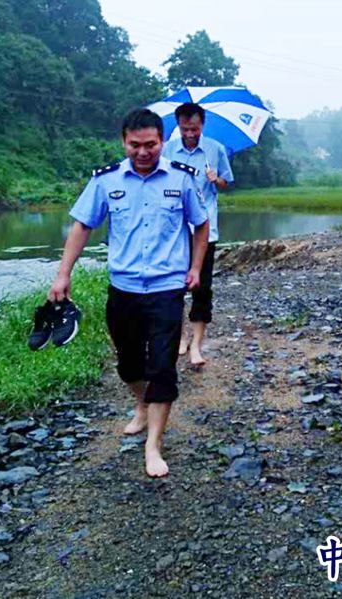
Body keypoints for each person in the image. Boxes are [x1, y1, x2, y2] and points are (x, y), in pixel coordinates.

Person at [48, 108, 209, 477]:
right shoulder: (106, 181)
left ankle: (153, 446)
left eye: (150, 144)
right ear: (123, 142)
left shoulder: (181, 178)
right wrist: (63, 275)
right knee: (129, 365)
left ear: (162, 141)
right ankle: (142, 403)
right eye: (135, 145)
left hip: (167, 288)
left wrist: (196, 268)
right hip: (124, 288)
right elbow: (81, 226)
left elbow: (201, 224)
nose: (143, 152)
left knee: (163, 368)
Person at [161, 102, 234, 367]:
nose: (190, 134)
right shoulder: (168, 150)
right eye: (185, 129)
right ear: (178, 126)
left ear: (202, 125)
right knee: (175, 287)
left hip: (205, 230)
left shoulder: (215, 149)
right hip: (175, 230)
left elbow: (227, 183)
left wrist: (216, 179)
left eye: (194, 128)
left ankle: (196, 345)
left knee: (202, 288)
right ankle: (181, 337)